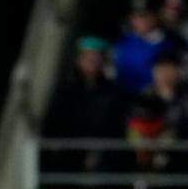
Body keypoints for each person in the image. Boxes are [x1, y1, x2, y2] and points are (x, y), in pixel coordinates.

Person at [42, 37, 128, 180]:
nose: (92, 61)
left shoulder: (113, 91)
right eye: (87, 57)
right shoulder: (65, 91)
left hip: (104, 154)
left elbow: (117, 126)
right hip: (69, 153)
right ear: (78, 60)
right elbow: (54, 124)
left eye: (96, 57)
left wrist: (99, 151)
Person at [115, 0, 183, 96]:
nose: (140, 21)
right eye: (136, 16)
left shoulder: (171, 43)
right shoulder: (122, 43)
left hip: (157, 100)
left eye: (145, 16)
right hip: (122, 99)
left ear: (155, 16)